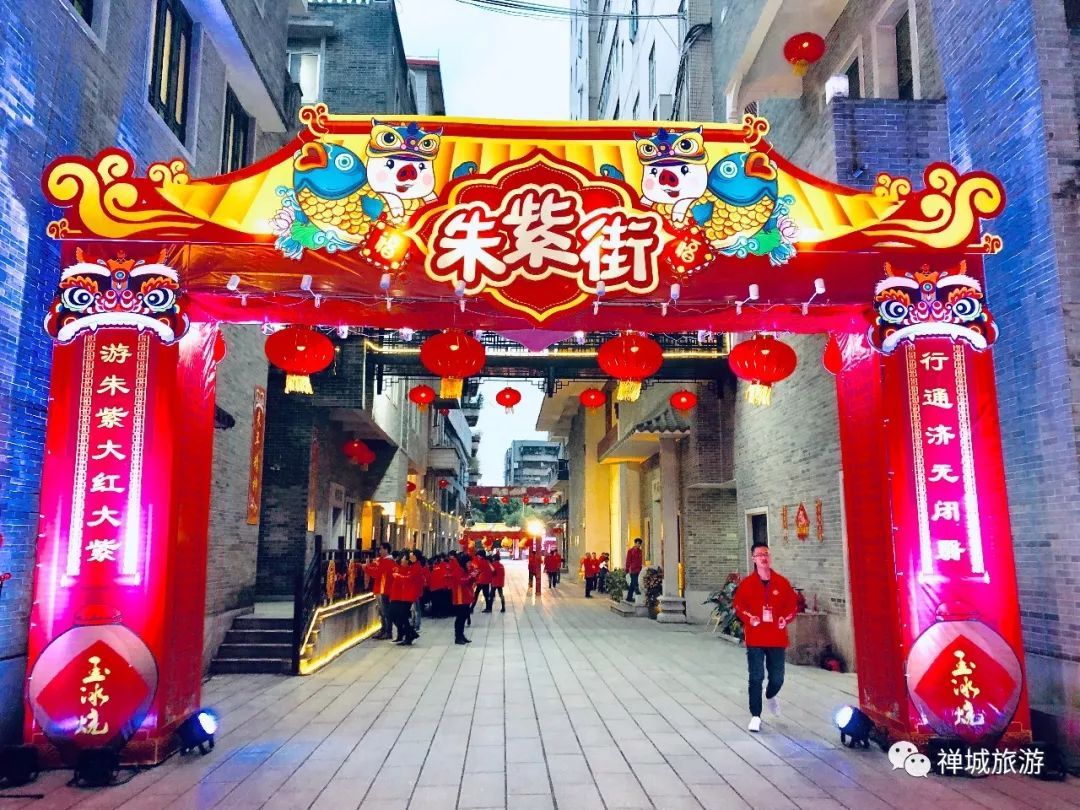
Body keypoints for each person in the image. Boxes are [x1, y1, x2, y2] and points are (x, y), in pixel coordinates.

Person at [733, 544, 798, 732]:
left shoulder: (781, 583)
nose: (763, 557)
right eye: (759, 555)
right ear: (753, 559)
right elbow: (739, 606)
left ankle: (770, 695)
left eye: (766, 554)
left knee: (777, 677)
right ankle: (755, 715)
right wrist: (749, 618)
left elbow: (792, 606)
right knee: (756, 676)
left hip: (776, 637)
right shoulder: (747, 584)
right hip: (755, 637)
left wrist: (784, 619)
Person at [389, 551, 423, 646]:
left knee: (402, 616)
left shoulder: (416, 567)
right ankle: (410, 634)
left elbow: (409, 579)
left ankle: (409, 635)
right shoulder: (413, 566)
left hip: (409, 594)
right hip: (406, 594)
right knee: (401, 616)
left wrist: (398, 576)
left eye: (411, 555)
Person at [364, 542, 396, 639]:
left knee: (385, 611)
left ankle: (387, 631)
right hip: (381, 588)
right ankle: (383, 630)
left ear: (386, 550)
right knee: (381, 611)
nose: (380, 551)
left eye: (381, 549)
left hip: (384, 589)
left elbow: (377, 573)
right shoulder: (383, 561)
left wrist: (366, 568)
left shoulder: (388, 562)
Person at [449, 552, 477, 644]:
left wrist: (473, 576)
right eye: (468, 562)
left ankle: (461, 635)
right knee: (460, 618)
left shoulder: (465, 570)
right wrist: (470, 576)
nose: (470, 564)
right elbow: (462, 581)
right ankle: (458, 637)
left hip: (466, 596)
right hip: (460, 597)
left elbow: (469, 582)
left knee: (464, 616)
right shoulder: (458, 570)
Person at [625, 538, 643, 603]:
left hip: (639, 569)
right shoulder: (630, 551)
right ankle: (638, 593)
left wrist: (641, 567)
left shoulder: (640, 551)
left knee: (632, 583)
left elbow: (640, 560)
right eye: (638, 543)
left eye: (640, 544)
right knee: (635, 582)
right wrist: (627, 569)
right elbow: (628, 560)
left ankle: (629, 598)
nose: (639, 545)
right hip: (632, 570)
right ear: (635, 543)